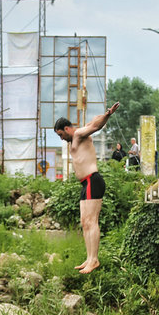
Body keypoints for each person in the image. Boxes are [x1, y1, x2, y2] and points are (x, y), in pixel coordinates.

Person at [54, 101, 120, 274]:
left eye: (61, 135)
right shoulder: (76, 138)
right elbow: (92, 121)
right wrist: (103, 115)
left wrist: (108, 114)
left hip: (93, 180)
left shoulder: (78, 134)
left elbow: (95, 125)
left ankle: (94, 259)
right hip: (85, 184)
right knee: (85, 222)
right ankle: (89, 258)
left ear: (67, 129)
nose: (62, 138)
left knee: (92, 221)